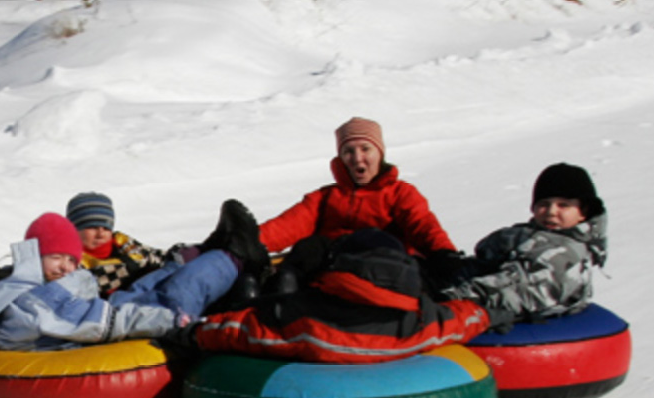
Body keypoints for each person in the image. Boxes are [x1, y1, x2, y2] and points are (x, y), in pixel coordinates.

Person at [0, 201, 265, 351]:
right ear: (33, 257)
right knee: (181, 290)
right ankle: (234, 257)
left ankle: (209, 251)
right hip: (92, 332)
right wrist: (171, 322)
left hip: (88, 319)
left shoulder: (33, 288)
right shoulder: (36, 301)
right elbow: (102, 323)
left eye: (70, 260)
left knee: (147, 283)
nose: (64, 267)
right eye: (54, 257)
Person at [183, 229, 497, 363]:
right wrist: (487, 314)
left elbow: (245, 331)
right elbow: (459, 319)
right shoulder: (421, 318)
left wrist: (195, 332)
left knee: (261, 307)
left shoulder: (308, 318)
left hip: (313, 375)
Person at [257, 116, 461, 287]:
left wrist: (443, 253)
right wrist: (249, 242)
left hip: (381, 269)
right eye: (348, 152)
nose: (357, 158)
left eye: (365, 149)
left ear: (379, 154)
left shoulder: (400, 193)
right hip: (329, 266)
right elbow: (287, 225)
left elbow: (422, 224)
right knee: (309, 248)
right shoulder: (326, 197)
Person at [439, 163, 608, 322]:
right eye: (543, 204)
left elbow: (522, 289)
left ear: (583, 212)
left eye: (563, 205)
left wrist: (456, 296)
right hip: (483, 295)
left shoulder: (566, 254)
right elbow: (484, 264)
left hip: (523, 318)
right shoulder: (528, 236)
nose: (551, 212)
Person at [65, 191, 178, 297]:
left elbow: (158, 257)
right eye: (92, 227)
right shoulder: (66, 260)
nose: (101, 234)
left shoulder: (124, 245)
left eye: (106, 228)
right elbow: (91, 283)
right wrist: (129, 267)